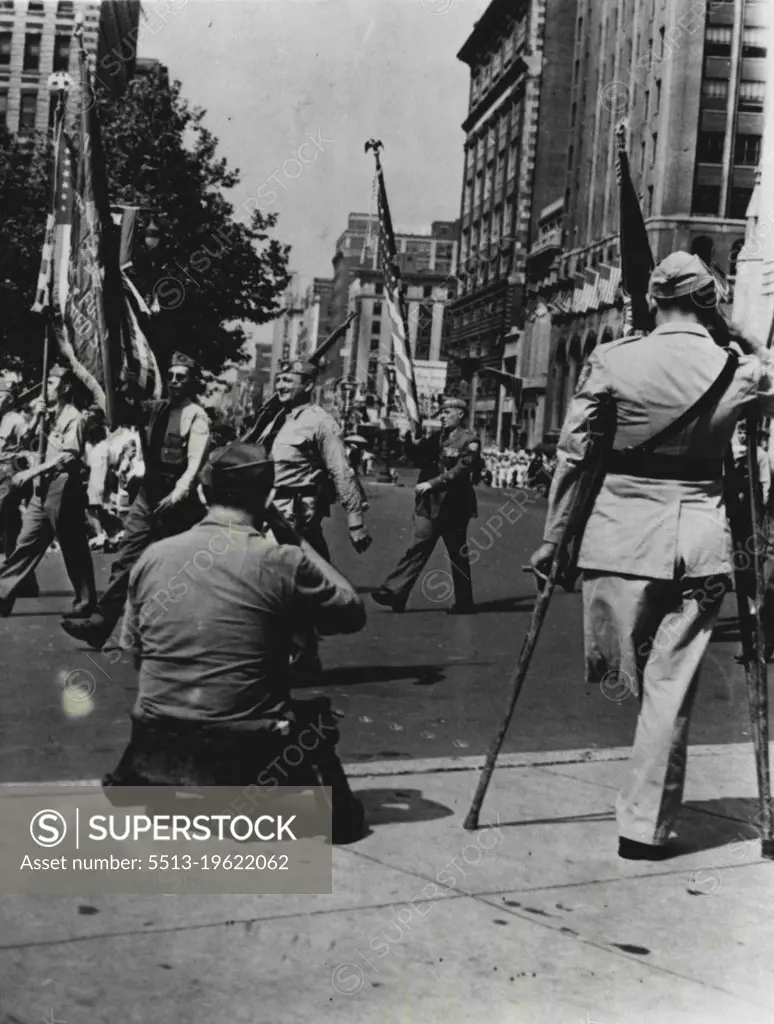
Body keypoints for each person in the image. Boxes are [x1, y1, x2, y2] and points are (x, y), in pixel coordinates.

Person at [529, 250, 774, 861]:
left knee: (624, 672)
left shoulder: (614, 358)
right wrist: (743, 335)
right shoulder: (738, 368)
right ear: (706, 301)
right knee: (669, 689)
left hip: (621, 538)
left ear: (652, 297)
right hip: (702, 542)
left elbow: (575, 454)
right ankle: (644, 825)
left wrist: (553, 538)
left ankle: (642, 810)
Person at [104, 441, 367, 843]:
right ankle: (341, 822)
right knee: (316, 720)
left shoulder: (154, 557)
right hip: (246, 746)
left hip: (155, 740)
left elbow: (136, 653)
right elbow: (351, 611)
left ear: (203, 493)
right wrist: (293, 536)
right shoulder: (281, 560)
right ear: (268, 498)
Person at [61, 352, 210, 649]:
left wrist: (178, 493)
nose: (175, 381)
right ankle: (100, 624)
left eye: (182, 376)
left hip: (178, 503)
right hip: (148, 495)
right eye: (171, 376)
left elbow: (195, 463)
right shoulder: (156, 409)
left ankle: (195, 634)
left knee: (177, 570)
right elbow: (120, 413)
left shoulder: (197, 416)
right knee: (126, 560)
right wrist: (124, 384)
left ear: (193, 382)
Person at [0, 367, 96, 617]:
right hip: (40, 489)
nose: (44, 388)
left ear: (64, 388)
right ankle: (1, 595)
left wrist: (33, 472)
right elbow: (26, 444)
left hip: (63, 486)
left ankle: (86, 602)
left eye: (50, 383)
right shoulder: (46, 415)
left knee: (73, 546)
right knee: (25, 543)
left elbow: (69, 455)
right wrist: (34, 420)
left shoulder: (73, 417)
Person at [371, 395, 481, 614]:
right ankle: (395, 592)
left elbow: (462, 469)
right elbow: (419, 458)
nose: (442, 416)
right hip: (429, 504)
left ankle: (464, 601)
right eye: (441, 412)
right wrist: (410, 441)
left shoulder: (469, 440)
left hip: (454, 505)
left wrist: (433, 483)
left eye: (447, 412)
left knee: (457, 554)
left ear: (460, 415)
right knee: (419, 545)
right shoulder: (436, 437)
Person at [256, 360, 371, 558]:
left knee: (282, 569)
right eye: (279, 380)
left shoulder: (321, 422)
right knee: (309, 570)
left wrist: (355, 522)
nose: (280, 386)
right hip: (265, 507)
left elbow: (341, 470)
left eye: (288, 381)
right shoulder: (274, 419)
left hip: (294, 512)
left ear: (308, 385)